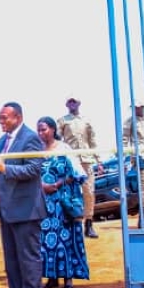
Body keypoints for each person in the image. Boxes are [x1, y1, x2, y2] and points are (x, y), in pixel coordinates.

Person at [0, 102, 46, 288]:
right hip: (7, 210)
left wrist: (6, 168)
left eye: (5, 118)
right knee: (11, 260)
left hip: (27, 210)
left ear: (18, 117)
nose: (2, 121)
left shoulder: (30, 138)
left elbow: (34, 169)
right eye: (0, 118)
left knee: (28, 260)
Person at [37, 117, 89, 288]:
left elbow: (77, 173)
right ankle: (51, 277)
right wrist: (42, 187)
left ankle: (68, 277)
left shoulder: (64, 148)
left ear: (52, 129)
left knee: (64, 238)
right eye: (39, 130)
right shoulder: (36, 151)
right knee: (46, 240)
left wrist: (57, 185)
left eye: (44, 129)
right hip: (44, 203)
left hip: (62, 201)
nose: (41, 133)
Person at [58, 96, 101, 238]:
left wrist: (99, 160)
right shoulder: (63, 121)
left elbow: (93, 140)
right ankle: (72, 223)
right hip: (70, 160)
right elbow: (57, 140)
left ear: (79, 103)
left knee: (89, 192)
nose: (72, 104)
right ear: (66, 104)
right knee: (70, 192)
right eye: (70, 102)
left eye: (74, 101)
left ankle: (89, 224)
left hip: (86, 160)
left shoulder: (86, 120)